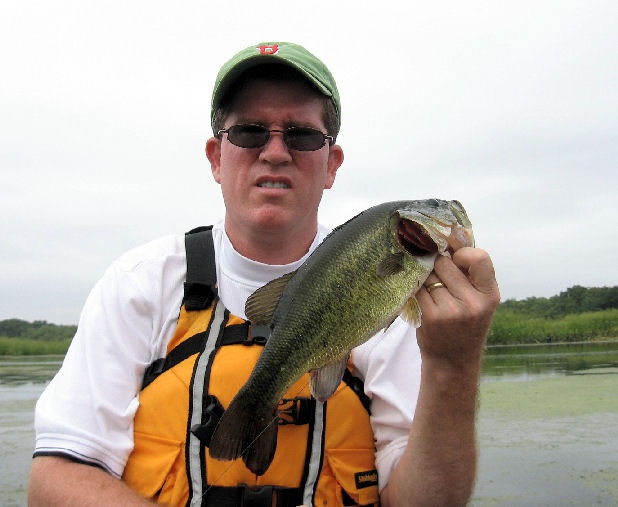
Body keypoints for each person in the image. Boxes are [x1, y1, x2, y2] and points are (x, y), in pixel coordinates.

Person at [28, 42, 500, 507]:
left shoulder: (402, 305)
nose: (275, 153)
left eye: (301, 136)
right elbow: (56, 477)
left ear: (331, 163)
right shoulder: (139, 283)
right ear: (217, 157)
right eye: (251, 133)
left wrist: (454, 365)